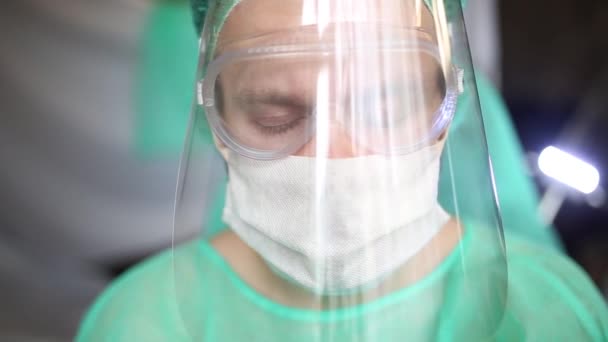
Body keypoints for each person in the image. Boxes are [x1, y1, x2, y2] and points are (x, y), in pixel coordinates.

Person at [77, 0, 608, 341]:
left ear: (447, 108)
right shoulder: (141, 322)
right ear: (215, 121)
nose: (334, 158)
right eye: (274, 114)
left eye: (383, 105)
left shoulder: (545, 313)